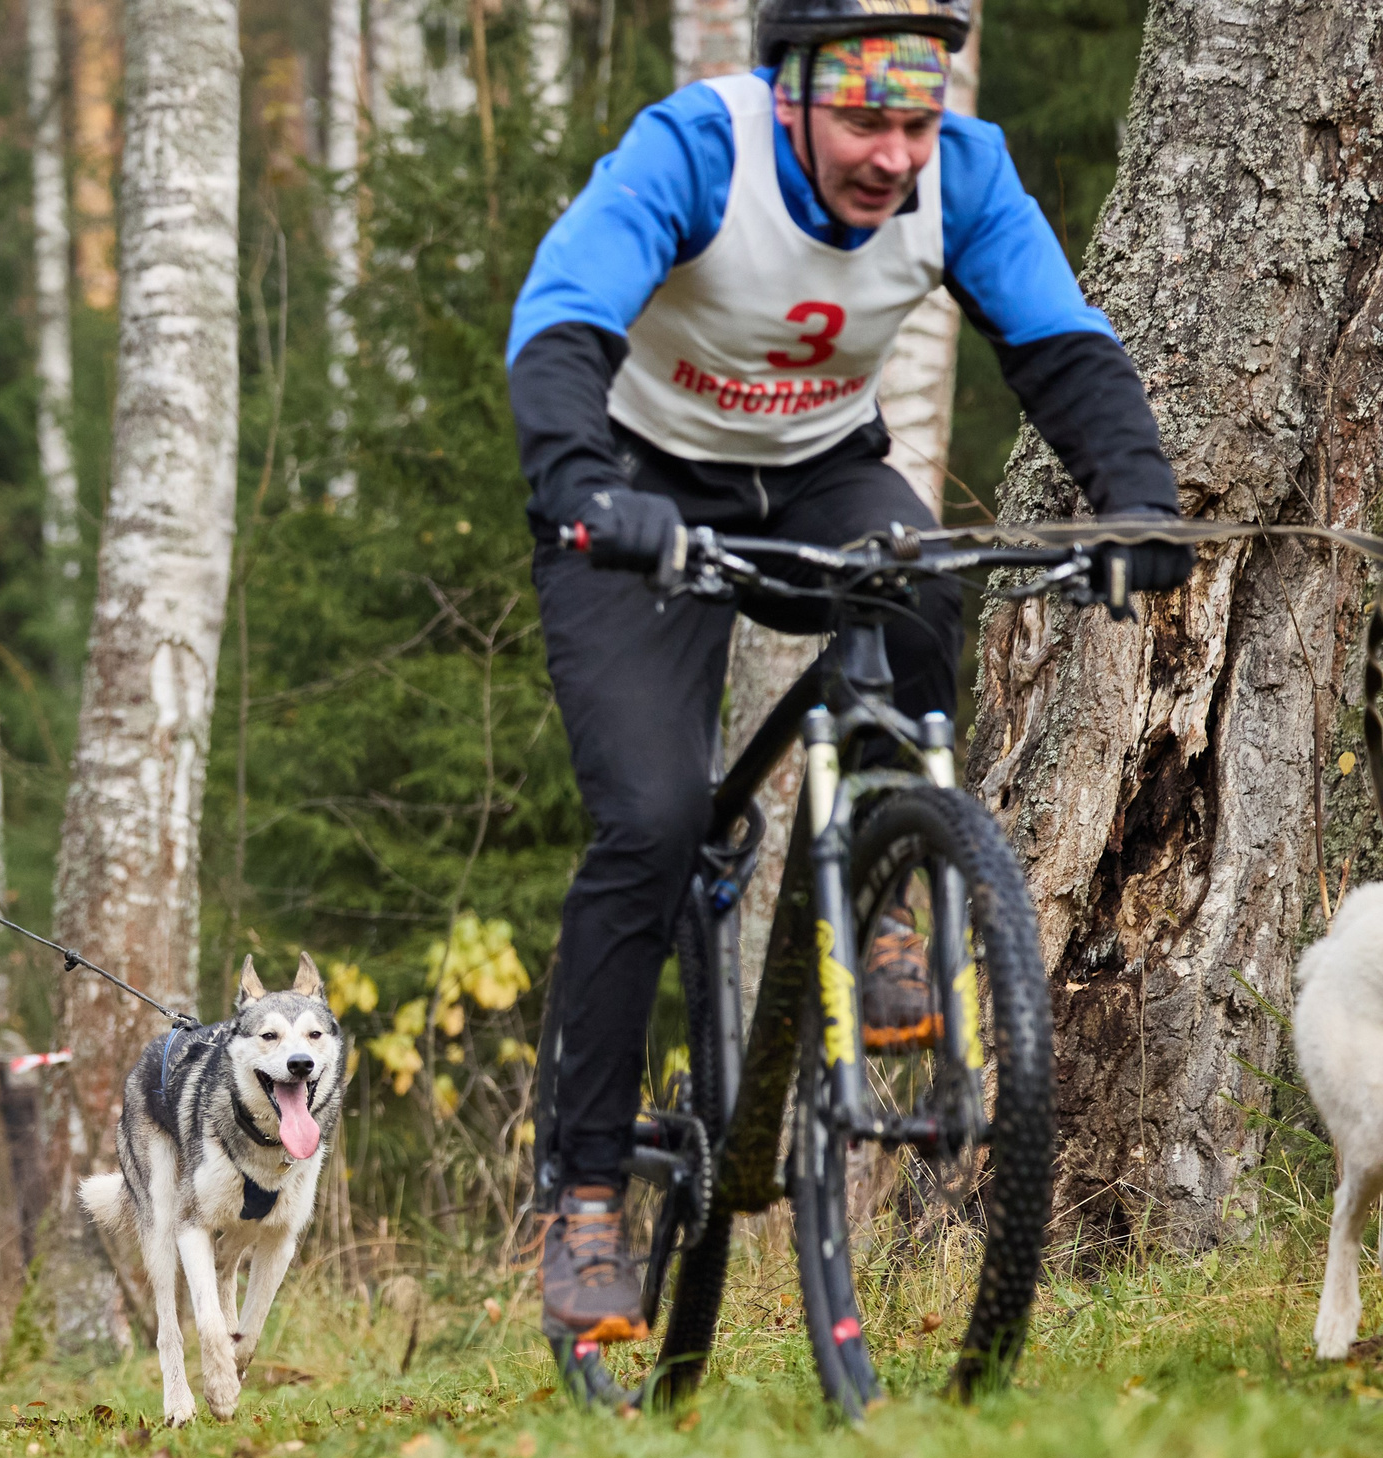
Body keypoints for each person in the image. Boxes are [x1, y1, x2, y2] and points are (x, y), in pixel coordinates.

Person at [507, 0, 1192, 1342]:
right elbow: (563, 319)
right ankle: (585, 1193)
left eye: (916, 123)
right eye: (866, 121)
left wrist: (1137, 500)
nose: (894, 156)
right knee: (650, 819)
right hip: (637, 486)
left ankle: (885, 900)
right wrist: (582, 486)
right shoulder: (696, 151)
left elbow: (1060, 345)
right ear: (791, 99)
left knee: (923, 581)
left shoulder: (962, 175)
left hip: (820, 467)